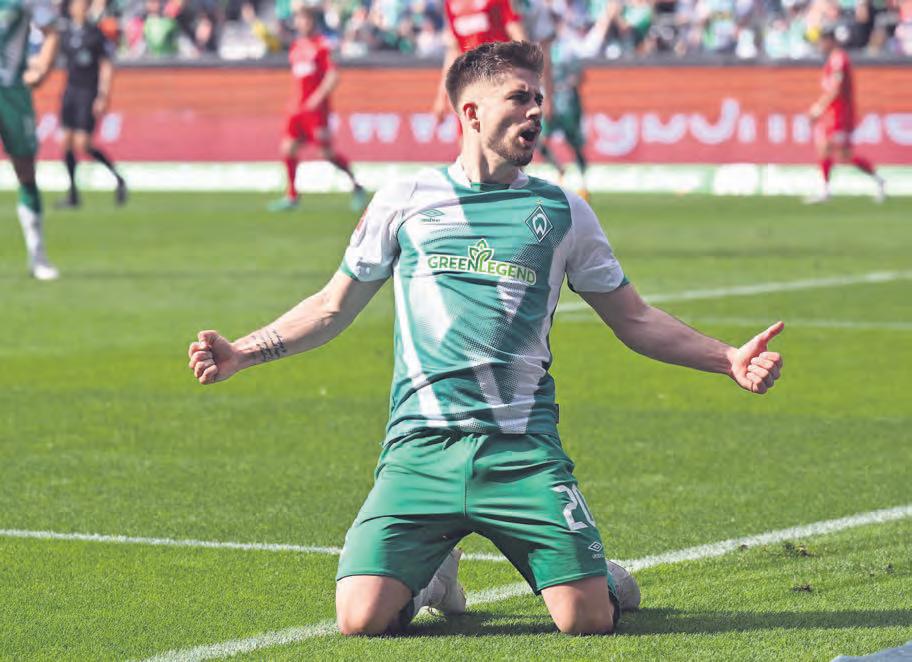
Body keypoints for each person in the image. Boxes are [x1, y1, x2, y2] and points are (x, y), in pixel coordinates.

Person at [188, 41, 784, 636]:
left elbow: (635, 319)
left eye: (538, 98)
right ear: (471, 112)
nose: (536, 111)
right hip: (420, 450)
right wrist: (243, 352)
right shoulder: (404, 201)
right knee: (360, 618)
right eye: (519, 98)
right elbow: (330, 307)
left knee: (586, 620)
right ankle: (434, 577)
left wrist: (727, 358)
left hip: (520, 451)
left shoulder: (563, 211)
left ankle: (594, 577)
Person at [269, 2, 365, 212]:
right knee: (288, 148)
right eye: (298, 19)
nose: (300, 23)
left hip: (316, 112)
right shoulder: (296, 46)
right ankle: (292, 196)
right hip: (297, 110)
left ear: (312, 22)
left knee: (326, 153)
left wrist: (317, 97)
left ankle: (357, 186)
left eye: (304, 19)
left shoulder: (322, 45)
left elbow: (333, 75)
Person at [1, 0, 60, 280]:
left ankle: (38, 257)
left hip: (12, 92)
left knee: (25, 171)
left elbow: (51, 31)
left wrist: (43, 67)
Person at [432, 0, 554, 129]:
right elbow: (453, 50)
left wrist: (538, 89)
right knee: (468, 136)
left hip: (499, 84)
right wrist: (441, 96)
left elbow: (518, 38)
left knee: (506, 135)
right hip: (470, 87)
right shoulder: (451, 3)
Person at [56, 0, 127, 209]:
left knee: (83, 144)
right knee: (66, 142)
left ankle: (118, 178)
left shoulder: (95, 34)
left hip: (88, 93)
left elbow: (107, 65)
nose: (79, 8)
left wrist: (103, 96)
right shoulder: (66, 33)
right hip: (70, 92)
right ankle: (73, 194)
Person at [806, 24, 886, 204]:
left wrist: (819, 108)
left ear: (830, 40)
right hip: (832, 113)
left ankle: (878, 180)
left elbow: (836, 89)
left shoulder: (839, 59)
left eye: (822, 41)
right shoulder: (832, 59)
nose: (820, 45)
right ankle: (825, 189)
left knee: (844, 154)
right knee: (824, 147)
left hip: (841, 114)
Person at [537, 12, 590, 199]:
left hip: (567, 101)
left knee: (573, 141)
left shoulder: (568, 47)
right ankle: (559, 168)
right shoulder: (540, 49)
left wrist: (568, 85)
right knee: (539, 141)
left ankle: (583, 182)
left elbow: (580, 74)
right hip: (548, 99)